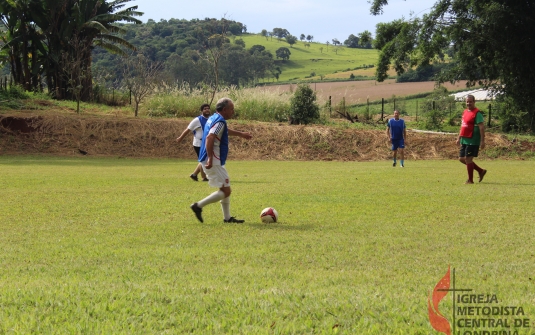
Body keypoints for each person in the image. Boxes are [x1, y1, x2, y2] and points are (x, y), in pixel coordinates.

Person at [190, 98, 252, 223]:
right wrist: (211, 158)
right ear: (225, 109)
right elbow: (210, 137)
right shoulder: (220, 122)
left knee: (225, 186)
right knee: (226, 190)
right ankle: (198, 206)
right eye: (232, 109)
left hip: (212, 159)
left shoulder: (214, 118)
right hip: (213, 159)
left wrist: (241, 134)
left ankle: (227, 218)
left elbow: (221, 132)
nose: (233, 112)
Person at [176, 104, 211, 182]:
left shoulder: (210, 119)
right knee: (203, 160)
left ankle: (194, 175)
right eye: (205, 109)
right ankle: (204, 178)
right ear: (202, 111)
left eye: (208, 109)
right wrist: (180, 138)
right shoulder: (197, 120)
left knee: (204, 159)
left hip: (206, 143)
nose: (207, 110)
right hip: (198, 144)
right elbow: (188, 129)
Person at [456, 95, 487, 184]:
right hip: (465, 139)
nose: (468, 103)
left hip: (473, 140)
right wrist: (459, 138)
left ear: (474, 102)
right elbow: (463, 126)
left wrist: (482, 141)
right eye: (467, 101)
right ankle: (481, 171)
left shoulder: (477, 113)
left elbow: (481, 128)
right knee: (462, 159)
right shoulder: (465, 112)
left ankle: (470, 180)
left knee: (468, 159)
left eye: (470, 101)